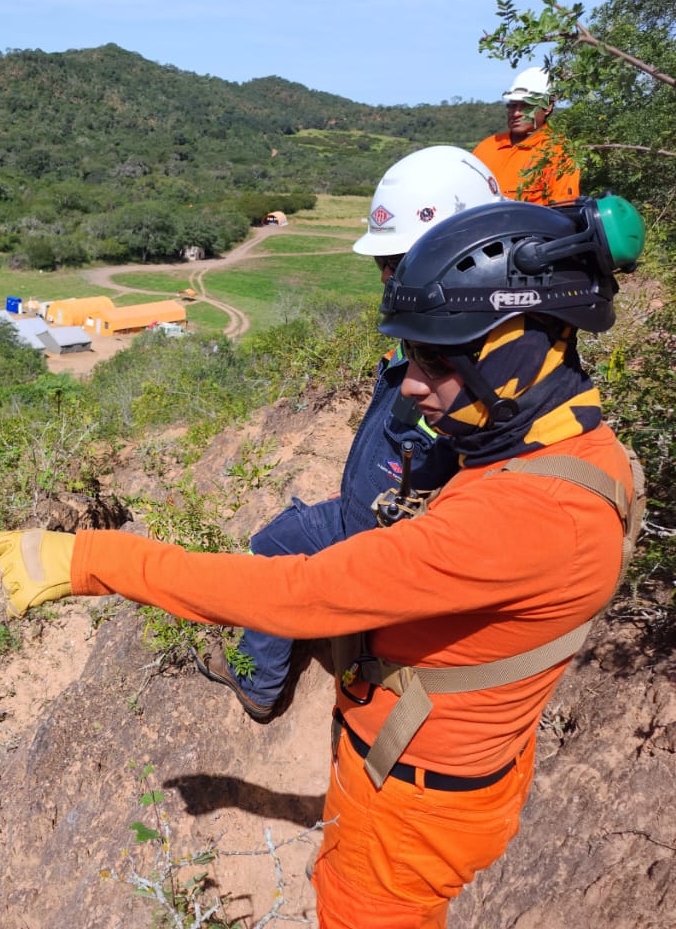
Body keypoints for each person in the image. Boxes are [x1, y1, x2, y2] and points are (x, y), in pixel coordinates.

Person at [0, 193, 645, 928]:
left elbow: (298, 594)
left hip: (410, 806)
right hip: (430, 774)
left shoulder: (532, 517)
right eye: (411, 355)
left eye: (435, 360)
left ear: (519, 352)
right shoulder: (571, 448)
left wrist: (93, 558)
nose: (410, 385)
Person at [193, 145, 504, 722]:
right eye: (383, 263)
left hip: (385, 547)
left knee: (273, 554)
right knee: (278, 537)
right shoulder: (441, 333)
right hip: (366, 512)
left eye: (400, 261)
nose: (388, 278)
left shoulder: (486, 363)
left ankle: (259, 682)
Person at [472, 66, 580, 204]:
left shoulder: (559, 152)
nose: (516, 113)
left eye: (526, 106)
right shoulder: (487, 147)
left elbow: (563, 211)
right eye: (512, 106)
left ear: (547, 107)